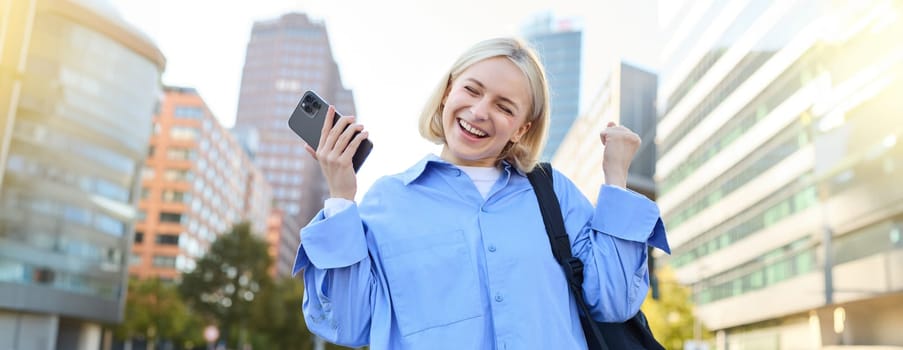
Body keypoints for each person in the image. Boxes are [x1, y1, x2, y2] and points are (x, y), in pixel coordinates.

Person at [293, 37, 670, 350]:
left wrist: (616, 177)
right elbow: (347, 323)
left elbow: (615, 300)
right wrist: (341, 197)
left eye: (504, 107)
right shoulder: (387, 201)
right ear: (447, 92)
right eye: (471, 90)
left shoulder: (555, 195)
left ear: (522, 129)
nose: (478, 112)